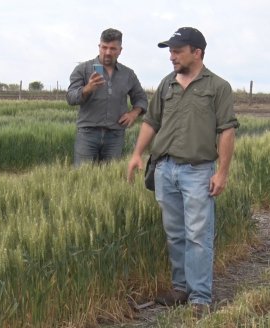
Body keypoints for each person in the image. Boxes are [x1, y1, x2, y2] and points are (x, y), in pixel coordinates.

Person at [127, 27, 239, 316]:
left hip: (198, 171)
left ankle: (200, 296)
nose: (171, 56)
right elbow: (151, 121)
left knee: (199, 235)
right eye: (170, 51)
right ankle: (181, 288)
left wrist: (222, 173)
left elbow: (226, 131)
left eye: (177, 51)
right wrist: (137, 154)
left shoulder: (218, 87)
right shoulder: (167, 84)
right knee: (175, 234)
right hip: (164, 168)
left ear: (197, 52)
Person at [66, 28, 147, 166]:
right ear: (99, 47)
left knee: (111, 178)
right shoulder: (83, 69)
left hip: (115, 136)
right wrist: (87, 89)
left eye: (113, 48)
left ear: (120, 50)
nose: (108, 52)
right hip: (87, 133)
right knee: (82, 178)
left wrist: (134, 113)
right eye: (104, 47)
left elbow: (141, 98)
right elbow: (70, 98)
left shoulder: (128, 74)